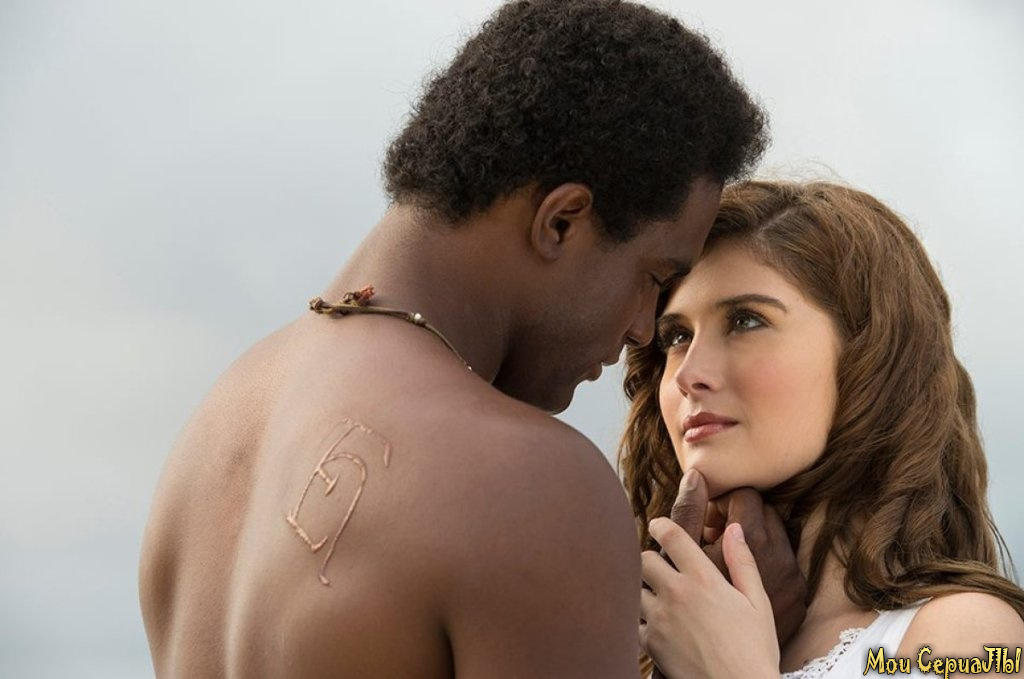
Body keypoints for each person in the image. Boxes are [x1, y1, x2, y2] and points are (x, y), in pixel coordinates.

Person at [138, 2, 808, 677]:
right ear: (562, 222)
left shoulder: (221, 424)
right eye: (652, 277)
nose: (641, 327)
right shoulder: (531, 486)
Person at [620, 179, 1024, 677]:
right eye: (677, 336)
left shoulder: (969, 636)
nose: (687, 374)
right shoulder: (640, 643)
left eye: (746, 321)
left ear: (871, 360)